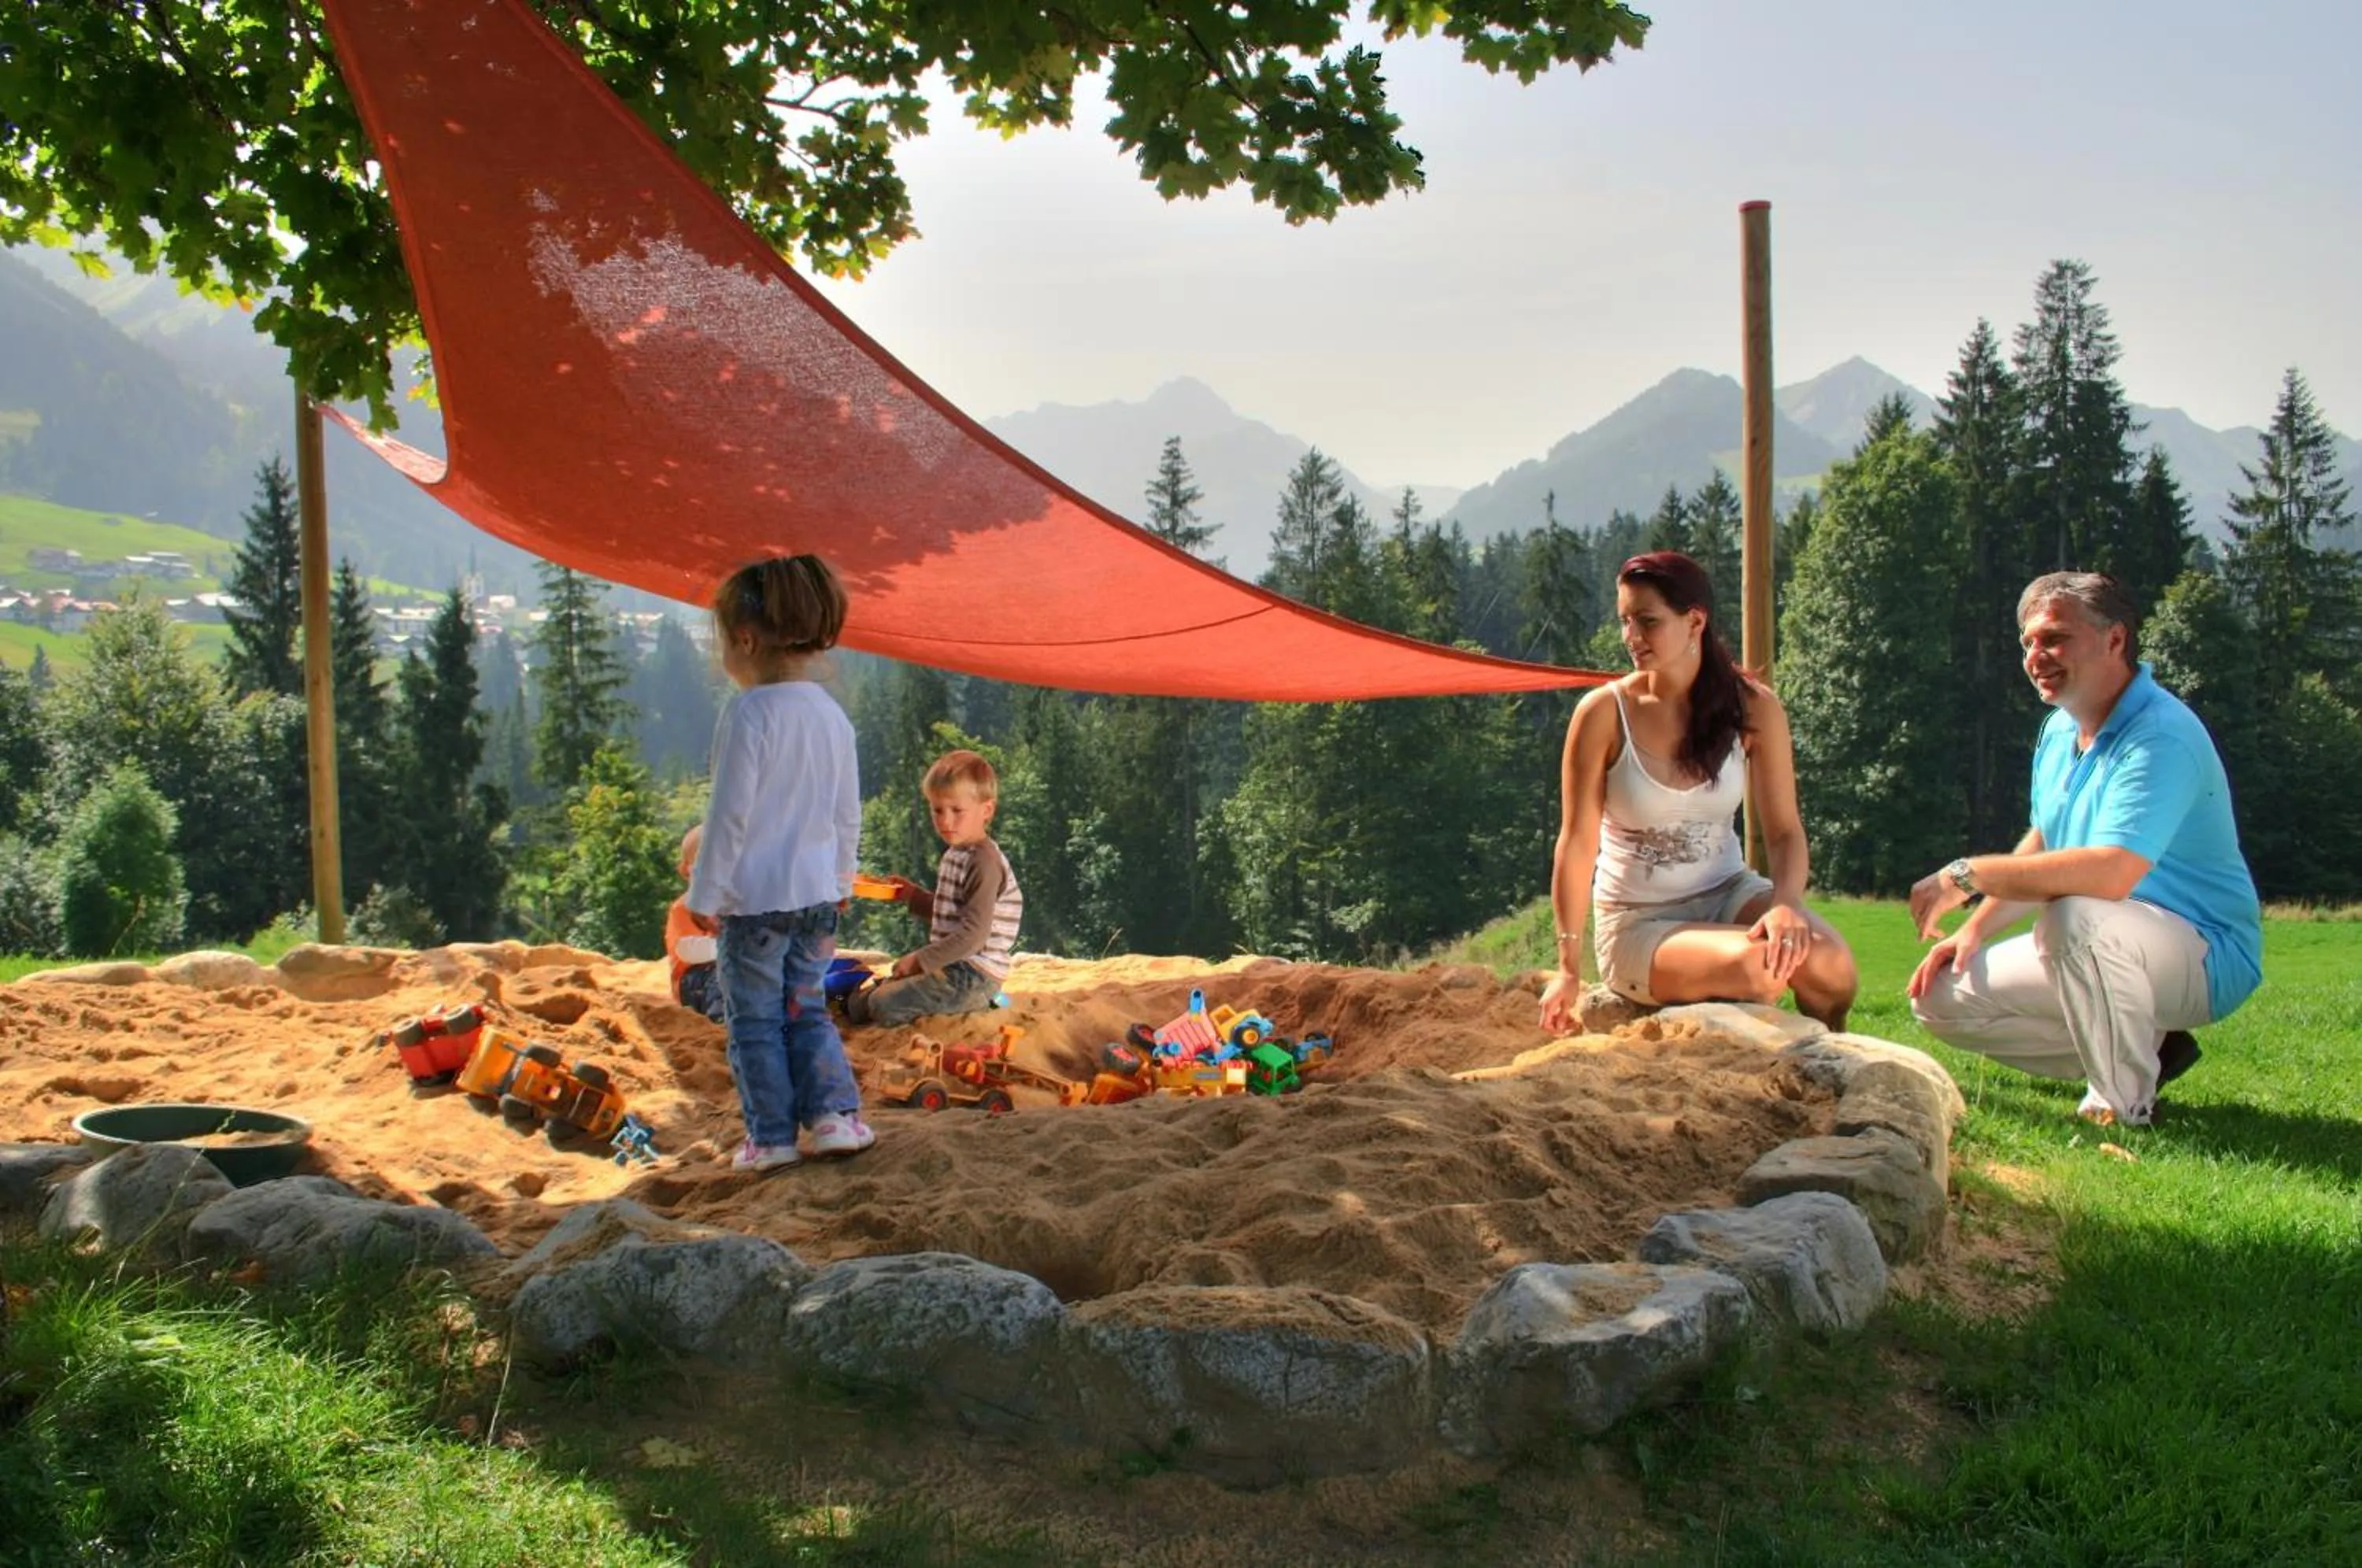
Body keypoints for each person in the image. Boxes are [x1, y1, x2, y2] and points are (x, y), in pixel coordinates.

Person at [1907, 571, 2262, 1127]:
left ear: (2115, 639)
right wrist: (1972, 932)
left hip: (2205, 954)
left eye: (2054, 638)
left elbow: (2111, 873)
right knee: (1940, 997)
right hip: (2108, 941)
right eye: (2028, 643)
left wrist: (1966, 874)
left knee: (2073, 915)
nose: (2037, 656)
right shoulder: (2057, 733)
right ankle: (2148, 1047)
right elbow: (2047, 845)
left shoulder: (2160, 735)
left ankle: (2122, 1105)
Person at [1538, 551, 1857, 1035]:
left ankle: (1832, 1058)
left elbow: (1786, 831)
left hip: (1729, 892)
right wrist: (1567, 965)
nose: (1632, 637)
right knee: (1760, 967)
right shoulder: (1603, 713)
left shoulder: (1752, 707)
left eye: (1647, 621)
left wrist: (1786, 905)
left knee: (1832, 967)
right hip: (1639, 923)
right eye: (1625, 621)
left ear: (1695, 621)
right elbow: (1577, 843)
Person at [683, 553, 874, 1173]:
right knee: (808, 1009)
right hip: (818, 898)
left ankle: (770, 1137)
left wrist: (704, 896)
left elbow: (729, 817)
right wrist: (843, 879)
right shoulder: (831, 715)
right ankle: (834, 1118)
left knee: (757, 1023)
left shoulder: (748, 713)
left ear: (745, 639)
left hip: (755, 905)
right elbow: (848, 813)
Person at [846, 749, 1024, 1028]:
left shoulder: (983, 862)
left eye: (957, 811)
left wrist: (920, 960)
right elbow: (951, 912)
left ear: (986, 810)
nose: (945, 821)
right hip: (953, 966)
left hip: (974, 975)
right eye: (937, 810)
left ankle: (983, 1001)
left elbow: (973, 936)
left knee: (882, 1004)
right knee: (860, 1003)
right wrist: (911, 895)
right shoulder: (957, 853)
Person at [664, 825, 725, 1023]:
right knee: (723, 977)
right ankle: (722, 1027)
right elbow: (688, 950)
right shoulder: (685, 907)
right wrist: (735, 945)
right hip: (697, 980)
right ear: (686, 870)